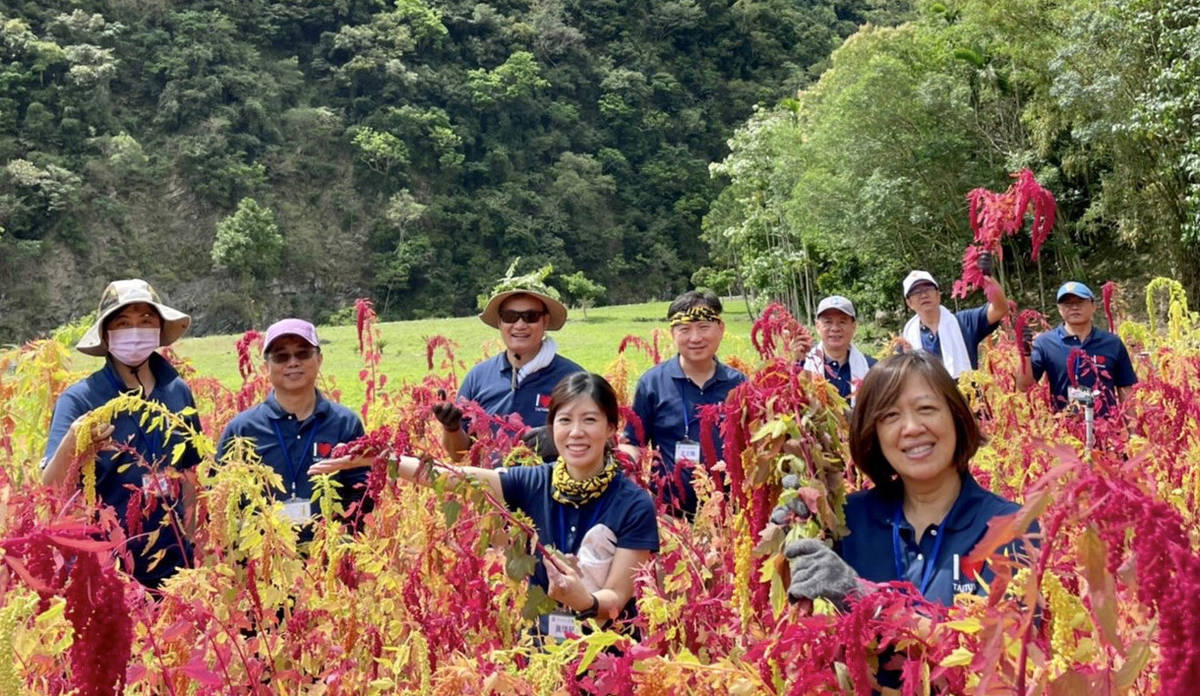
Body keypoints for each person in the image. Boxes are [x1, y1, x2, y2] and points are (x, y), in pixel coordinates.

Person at [395, 373, 658, 639]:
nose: (576, 432)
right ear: (552, 426)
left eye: (589, 420)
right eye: (565, 420)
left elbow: (617, 597)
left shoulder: (633, 504)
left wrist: (585, 601)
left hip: (606, 659)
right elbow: (453, 478)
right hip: (540, 651)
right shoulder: (535, 481)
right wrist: (384, 460)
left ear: (611, 428)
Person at [786, 352, 1030, 608]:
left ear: (957, 417)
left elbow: (1000, 641)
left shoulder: (1010, 528)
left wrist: (866, 601)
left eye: (926, 408)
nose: (912, 427)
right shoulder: (846, 520)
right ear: (874, 434)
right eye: (890, 416)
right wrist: (796, 530)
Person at [41, 279, 201, 588]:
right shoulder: (81, 399)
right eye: (123, 323)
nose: (135, 331)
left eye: (145, 321)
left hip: (175, 567)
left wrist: (191, 539)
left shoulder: (177, 390)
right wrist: (74, 442)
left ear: (158, 328)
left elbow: (189, 475)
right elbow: (51, 488)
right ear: (106, 334)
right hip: (108, 571)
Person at [217, 319, 368, 529]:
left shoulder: (345, 423)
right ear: (266, 366)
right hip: (263, 555)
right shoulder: (242, 429)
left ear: (319, 359)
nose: (293, 362)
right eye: (281, 357)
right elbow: (223, 499)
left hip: (330, 554)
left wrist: (342, 535)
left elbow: (363, 490)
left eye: (303, 353)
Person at [620, 291, 746, 515]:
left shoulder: (739, 385)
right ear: (673, 333)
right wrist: (625, 467)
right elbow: (633, 442)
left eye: (704, 327)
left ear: (721, 328)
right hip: (670, 516)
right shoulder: (653, 383)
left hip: (731, 516)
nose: (695, 338)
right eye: (685, 329)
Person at [431, 279, 583, 462]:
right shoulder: (478, 377)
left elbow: (605, 442)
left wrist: (561, 438)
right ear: (500, 322)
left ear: (545, 321)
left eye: (530, 316)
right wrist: (451, 427)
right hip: (490, 488)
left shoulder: (573, 379)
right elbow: (458, 454)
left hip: (551, 489)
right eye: (510, 316)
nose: (519, 325)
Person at [1015, 281, 1138, 416]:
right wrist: (1024, 353)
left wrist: (1132, 433)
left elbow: (1125, 389)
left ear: (1094, 306)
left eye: (1080, 302)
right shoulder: (1045, 343)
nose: (1074, 307)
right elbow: (1024, 386)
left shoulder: (1112, 343)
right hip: (1065, 429)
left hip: (1107, 428)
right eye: (1067, 304)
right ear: (1059, 309)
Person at [901, 253, 1009, 378]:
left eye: (928, 289)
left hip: (965, 395)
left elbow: (1000, 309)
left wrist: (988, 278)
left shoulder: (964, 322)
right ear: (909, 303)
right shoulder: (907, 338)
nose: (924, 295)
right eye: (916, 292)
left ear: (938, 295)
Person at [801, 295, 877, 404]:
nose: (835, 328)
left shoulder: (871, 368)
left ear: (854, 327)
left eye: (842, 322)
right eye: (828, 322)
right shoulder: (802, 367)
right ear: (817, 326)